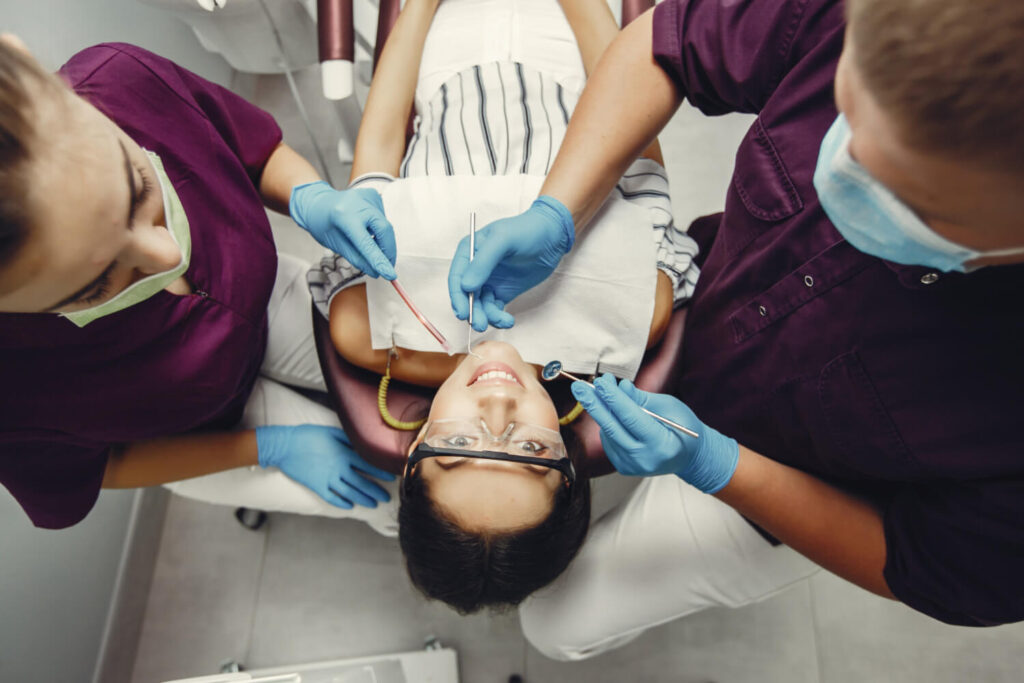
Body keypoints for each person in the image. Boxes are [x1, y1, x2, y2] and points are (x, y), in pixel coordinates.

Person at [440, 0, 1024, 660]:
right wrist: (558, 208)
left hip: (798, 490)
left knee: (554, 626)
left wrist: (714, 464)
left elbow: (915, 562)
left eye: (903, 192)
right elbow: (665, 44)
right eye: (844, 111)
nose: (842, 167)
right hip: (710, 308)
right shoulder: (894, 18)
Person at [307, 0, 701, 611]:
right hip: (576, 59)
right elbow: (641, 158)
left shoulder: (371, 332)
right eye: (532, 450)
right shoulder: (628, 320)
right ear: (569, 462)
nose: (497, 406)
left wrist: (417, 8)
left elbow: (378, 162)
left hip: (446, 48)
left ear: (413, 458)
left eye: (461, 446)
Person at [0, 36, 401, 530]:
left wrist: (309, 195)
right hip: (199, 432)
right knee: (396, 502)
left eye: (138, 187)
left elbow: (253, 147)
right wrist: (268, 447)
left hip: (268, 303)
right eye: (95, 284)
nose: (169, 256)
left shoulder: (122, 79)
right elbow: (108, 466)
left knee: (410, 384)